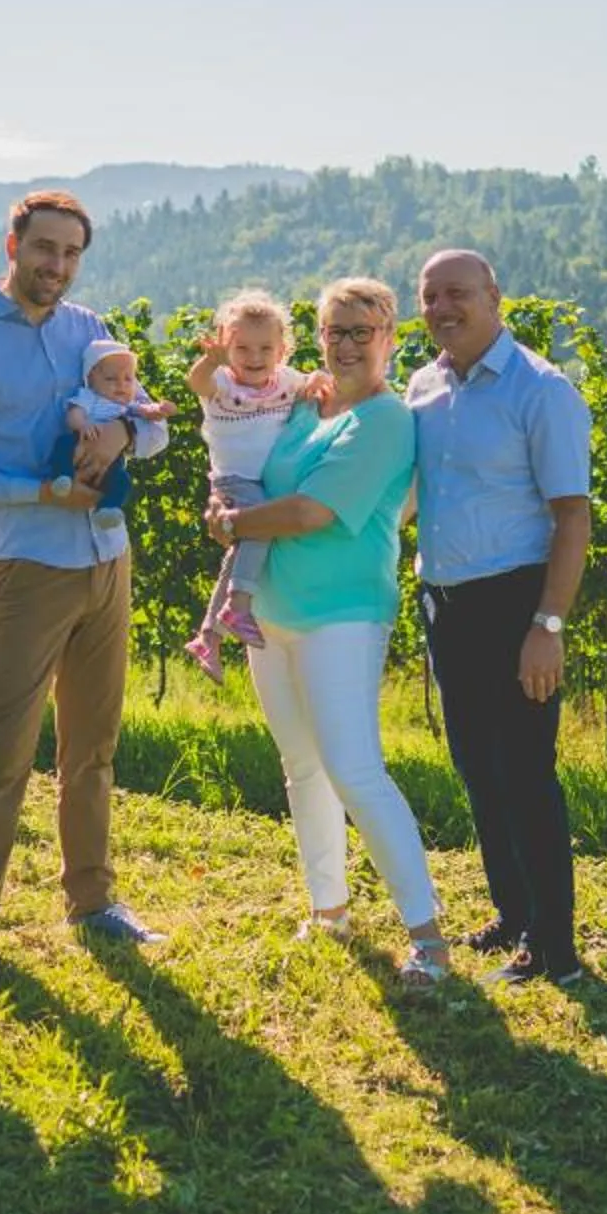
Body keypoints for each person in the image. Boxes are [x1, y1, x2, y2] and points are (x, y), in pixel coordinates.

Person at [0, 189, 171, 980]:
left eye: (71, 253)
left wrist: (126, 430)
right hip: (26, 566)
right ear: (12, 244)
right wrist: (41, 491)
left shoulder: (91, 330)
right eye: (44, 249)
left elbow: (155, 427)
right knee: (5, 751)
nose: (57, 266)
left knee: (93, 749)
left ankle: (93, 902)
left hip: (106, 558)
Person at [208, 276, 451, 988]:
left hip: (343, 614)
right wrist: (222, 500)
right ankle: (329, 910)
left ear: (390, 338)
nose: (345, 343)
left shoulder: (386, 421)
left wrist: (231, 525)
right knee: (303, 768)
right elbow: (248, 469)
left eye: (361, 330)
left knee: (354, 769)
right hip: (272, 614)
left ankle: (428, 936)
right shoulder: (305, 408)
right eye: (334, 330)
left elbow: (312, 511)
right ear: (317, 340)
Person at [408, 248, 592, 987]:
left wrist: (547, 625)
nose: (443, 308)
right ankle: (513, 915)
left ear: (495, 296)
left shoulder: (539, 391)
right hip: (446, 605)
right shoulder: (422, 387)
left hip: (516, 603)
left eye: (457, 293)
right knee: (477, 770)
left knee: (526, 774)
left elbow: (572, 516)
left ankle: (557, 950)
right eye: (429, 297)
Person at [181, 288, 302, 681]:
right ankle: (239, 604)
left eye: (265, 348)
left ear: (283, 350)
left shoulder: (285, 380)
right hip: (235, 480)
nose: (254, 358)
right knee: (262, 529)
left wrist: (318, 380)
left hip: (261, 481)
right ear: (226, 347)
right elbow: (195, 382)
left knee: (237, 555)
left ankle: (209, 636)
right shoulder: (221, 384)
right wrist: (210, 360)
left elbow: (313, 384)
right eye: (242, 348)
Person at [49, 338, 174, 521]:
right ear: (90, 379)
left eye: (128, 379)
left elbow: (146, 412)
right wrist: (83, 425)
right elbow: (74, 414)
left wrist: (159, 410)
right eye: (110, 379)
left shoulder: (127, 405)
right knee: (63, 445)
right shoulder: (89, 396)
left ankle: (108, 509)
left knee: (121, 480)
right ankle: (62, 476)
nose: (121, 385)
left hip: (112, 461)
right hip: (82, 441)